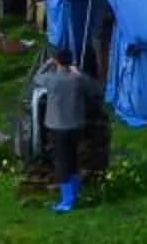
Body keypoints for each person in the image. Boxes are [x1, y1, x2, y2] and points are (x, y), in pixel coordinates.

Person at [27, 47, 108, 211]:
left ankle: (67, 201)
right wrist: (79, 73)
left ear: (57, 61)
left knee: (63, 163)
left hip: (57, 127)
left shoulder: (52, 79)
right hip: (76, 125)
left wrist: (47, 65)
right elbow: (96, 89)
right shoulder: (77, 80)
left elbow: (36, 78)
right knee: (73, 160)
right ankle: (73, 194)